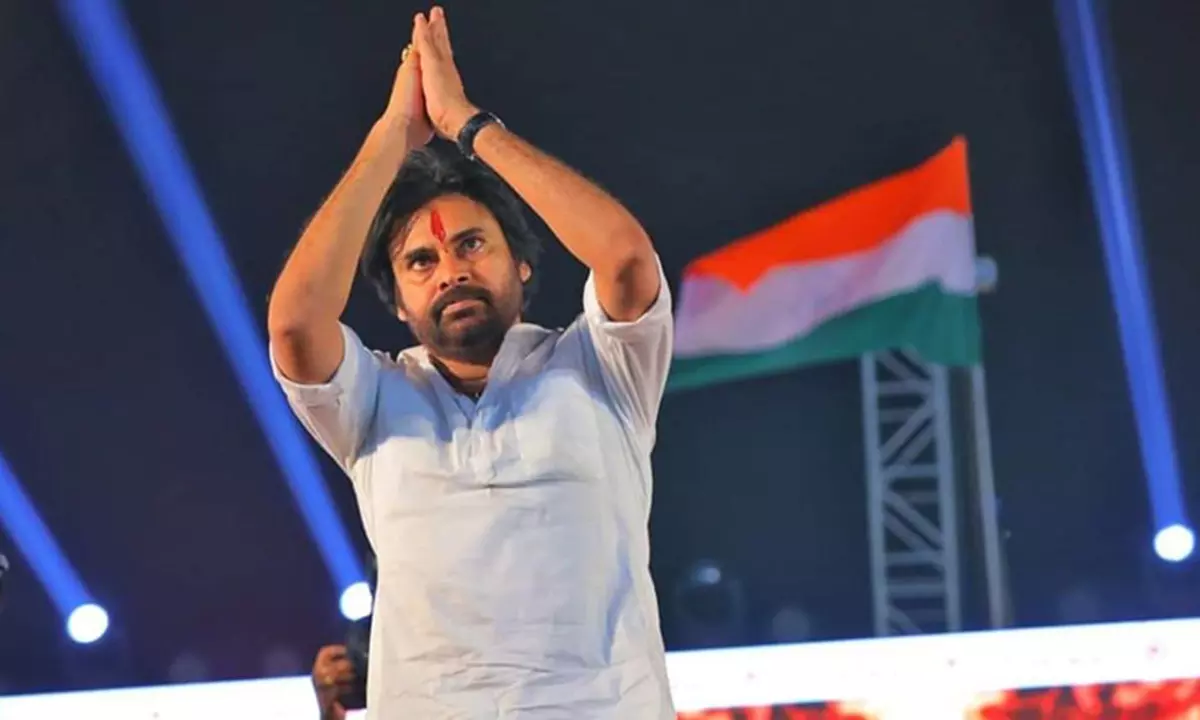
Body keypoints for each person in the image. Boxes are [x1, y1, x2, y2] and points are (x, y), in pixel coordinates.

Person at [268, 6, 674, 718]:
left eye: (472, 245)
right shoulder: (372, 401)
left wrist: (468, 126)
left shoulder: (601, 366)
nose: (450, 270)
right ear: (398, 305)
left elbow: (626, 259)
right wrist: (392, 135)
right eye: (420, 261)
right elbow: (296, 327)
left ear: (523, 266)